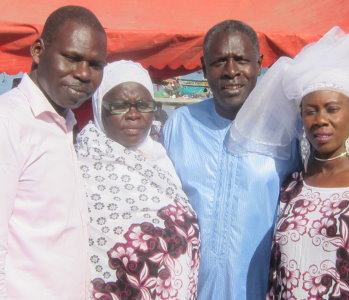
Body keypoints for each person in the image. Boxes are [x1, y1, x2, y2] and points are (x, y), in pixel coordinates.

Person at [231, 26, 349, 299]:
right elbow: (278, 273)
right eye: (310, 111)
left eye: (332, 109)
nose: (321, 119)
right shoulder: (293, 187)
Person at [162, 20, 299, 299]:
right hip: (187, 290)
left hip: (260, 291)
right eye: (220, 61)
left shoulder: (287, 131)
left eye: (241, 60)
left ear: (259, 64)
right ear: (203, 65)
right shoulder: (179, 126)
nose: (231, 71)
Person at [0, 6, 107, 299]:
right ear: (38, 50)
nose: (84, 74)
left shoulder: (65, 124)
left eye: (95, 65)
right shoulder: (9, 122)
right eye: (72, 58)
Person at [75, 60, 200, 299]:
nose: (133, 115)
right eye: (120, 105)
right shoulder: (80, 169)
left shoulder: (161, 162)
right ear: (99, 107)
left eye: (143, 105)